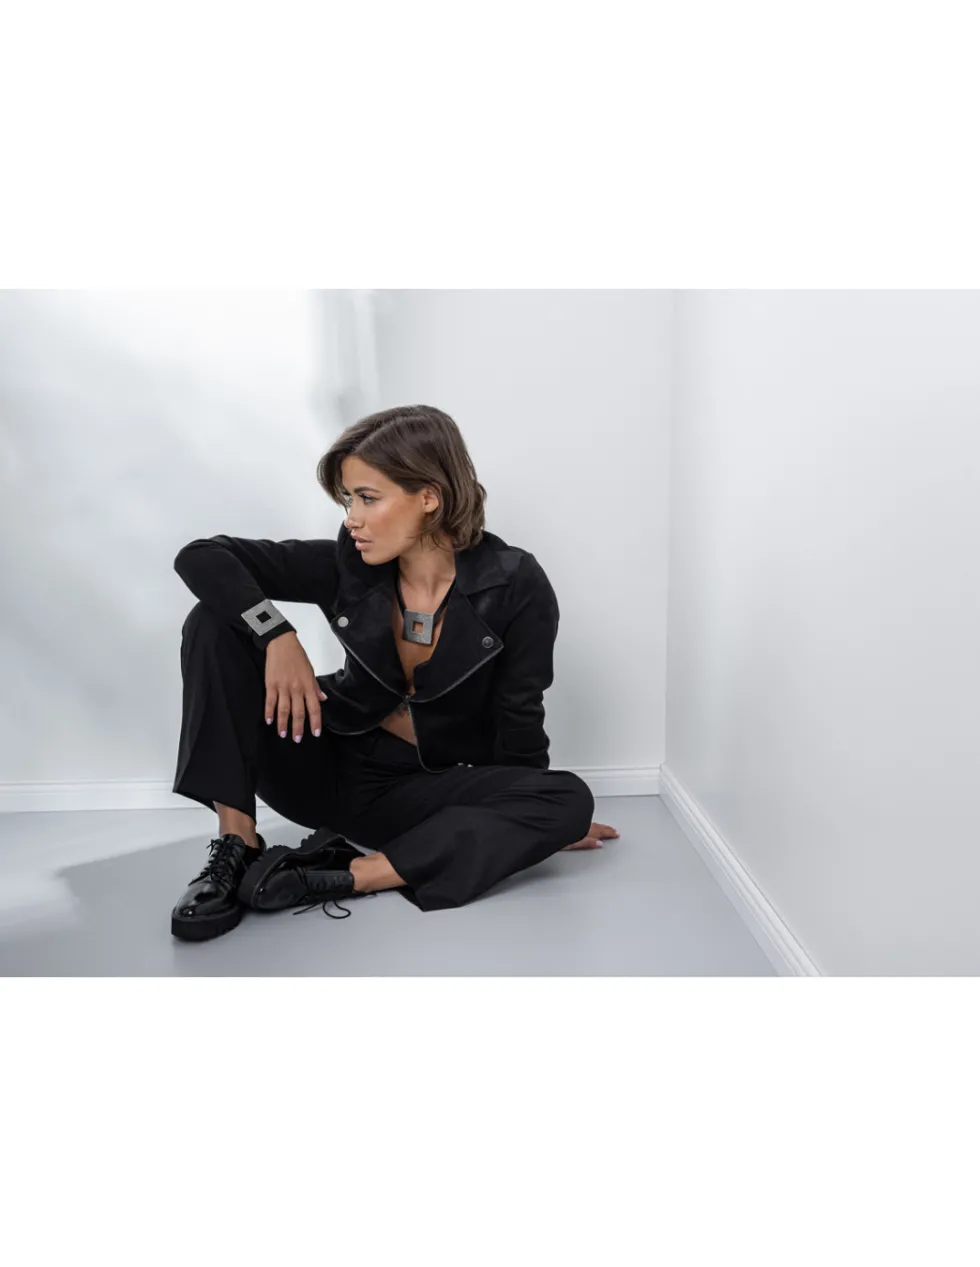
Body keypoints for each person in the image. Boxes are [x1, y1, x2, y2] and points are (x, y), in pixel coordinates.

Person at [169, 403, 618, 942]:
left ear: (429, 497)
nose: (351, 518)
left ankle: (342, 875)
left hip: (412, 794)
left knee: (568, 798)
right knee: (214, 619)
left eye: (367, 497)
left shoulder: (513, 584)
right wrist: (276, 634)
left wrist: (530, 818)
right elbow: (203, 555)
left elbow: (520, 710)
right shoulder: (350, 565)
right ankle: (238, 845)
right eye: (348, 500)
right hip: (315, 759)